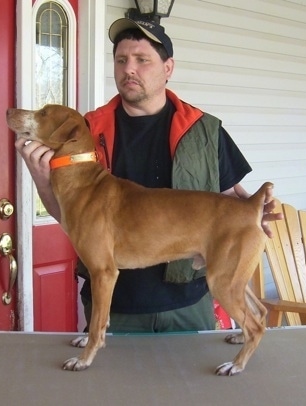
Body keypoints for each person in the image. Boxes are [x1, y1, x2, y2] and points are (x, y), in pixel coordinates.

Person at [15, 18, 281, 334]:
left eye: (142, 60)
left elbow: (230, 201)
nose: (130, 69)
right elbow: (71, 219)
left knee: (192, 382)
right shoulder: (84, 131)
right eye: (121, 60)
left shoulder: (205, 130)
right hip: (116, 305)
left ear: (168, 68)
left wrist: (253, 214)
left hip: (187, 304)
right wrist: (42, 179)